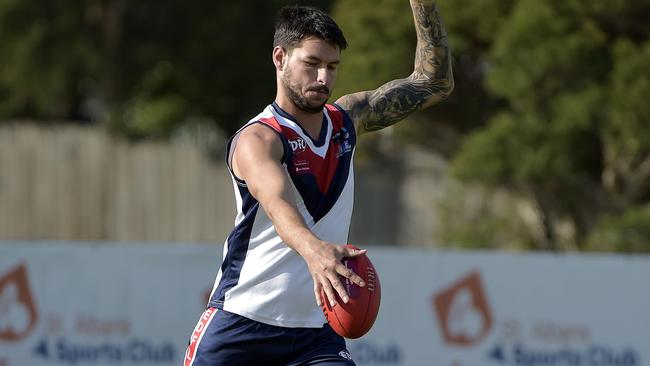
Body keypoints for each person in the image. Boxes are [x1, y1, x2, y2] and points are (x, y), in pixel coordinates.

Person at [184, 1, 453, 365]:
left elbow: (434, 83)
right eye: (312, 64)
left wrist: (424, 6)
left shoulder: (347, 120)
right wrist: (314, 251)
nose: (323, 78)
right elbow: (278, 206)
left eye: (332, 66)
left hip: (317, 336)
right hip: (240, 328)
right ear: (280, 58)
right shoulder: (259, 139)